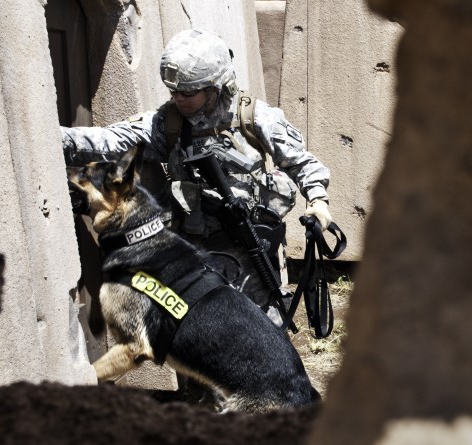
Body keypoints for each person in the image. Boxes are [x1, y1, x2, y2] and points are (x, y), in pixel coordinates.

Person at [62, 28, 332, 325]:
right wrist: (57, 138)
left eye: (188, 92)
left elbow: (300, 162)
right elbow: (111, 140)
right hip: (196, 248)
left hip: (251, 246)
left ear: (215, 87)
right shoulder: (168, 123)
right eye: (174, 92)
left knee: (263, 326)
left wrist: (318, 199)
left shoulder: (255, 118)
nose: (178, 98)